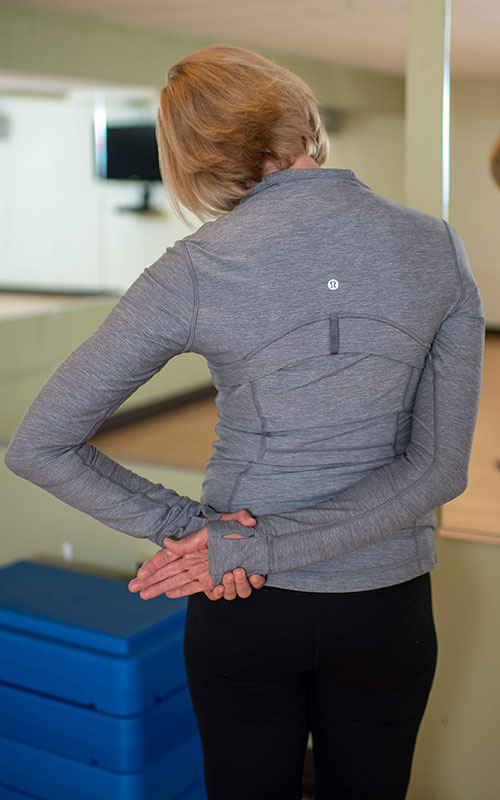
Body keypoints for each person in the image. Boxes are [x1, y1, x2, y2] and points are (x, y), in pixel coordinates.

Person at [4, 44, 485, 800]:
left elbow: (40, 444)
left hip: (244, 600)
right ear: (305, 123)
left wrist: (212, 537)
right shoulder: (437, 246)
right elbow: (437, 471)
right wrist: (223, 542)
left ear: (193, 166)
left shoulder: (193, 268)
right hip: (384, 605)